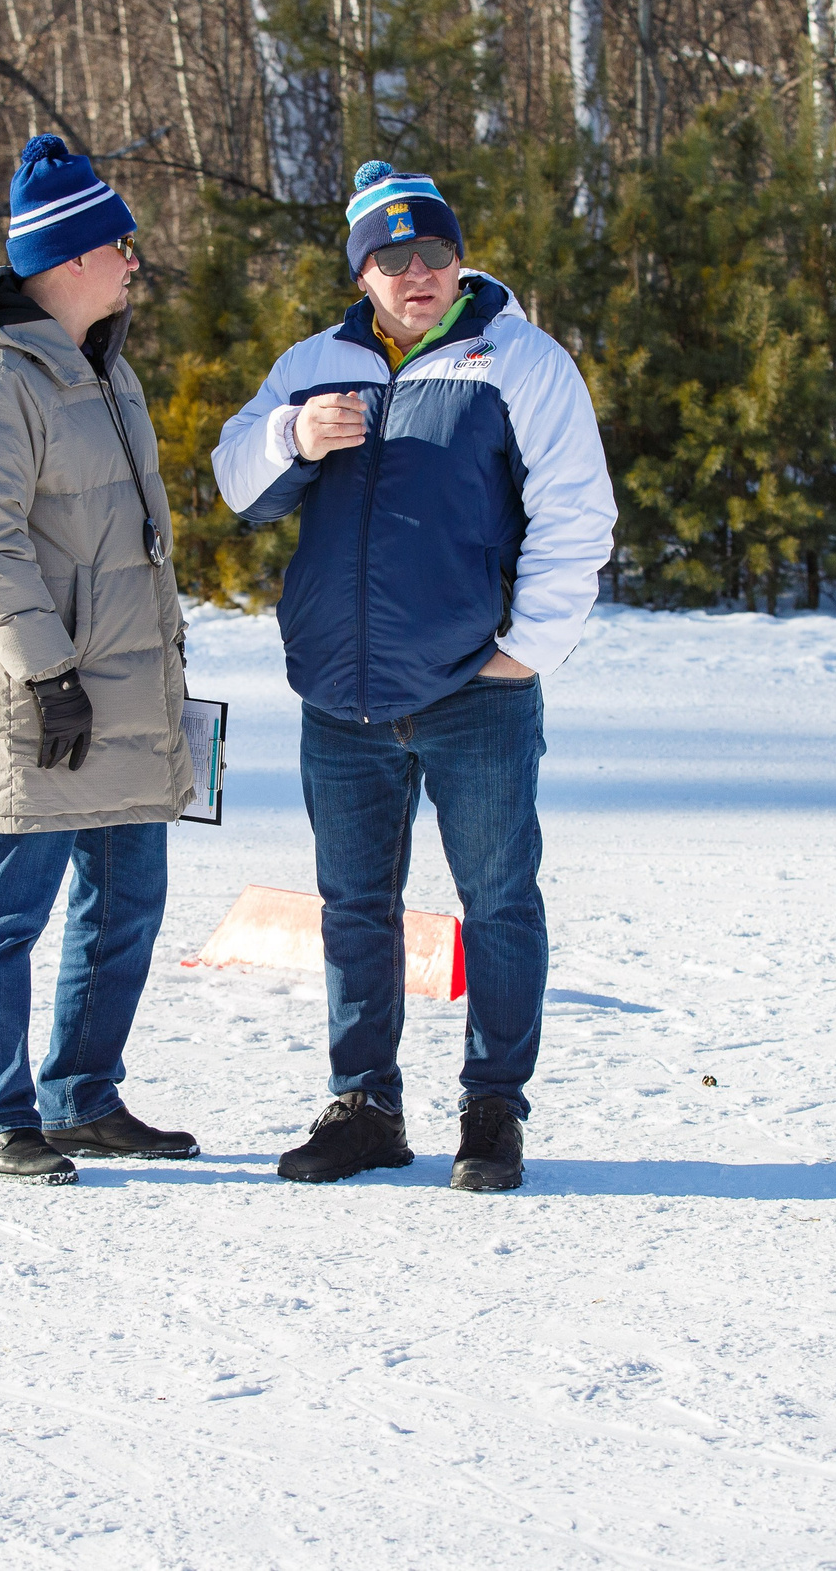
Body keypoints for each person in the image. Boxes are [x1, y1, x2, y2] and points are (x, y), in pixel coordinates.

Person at [211, 161, 618, 1192]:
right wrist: (292, 435)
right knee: (353, 904)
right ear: (363, 272)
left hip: (472, 691)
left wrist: (527, 648)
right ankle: (365, 1107)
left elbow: (577, 510)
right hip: (338, 695)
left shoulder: (518, 360)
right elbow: (236, 483)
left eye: (434, 251)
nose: (417, 273)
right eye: (392, 258)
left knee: (498, 901)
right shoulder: (314, 364)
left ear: (459, 257)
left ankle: (493, 1111)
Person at [0, 134, 198, 1184]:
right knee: (8, 915)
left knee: (127, 904)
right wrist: (47, 673)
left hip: (125, 685)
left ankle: (81, 1095)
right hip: (37, 696)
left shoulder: (105, 366)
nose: (134, 261)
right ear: (72, 256)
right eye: (120, 245)